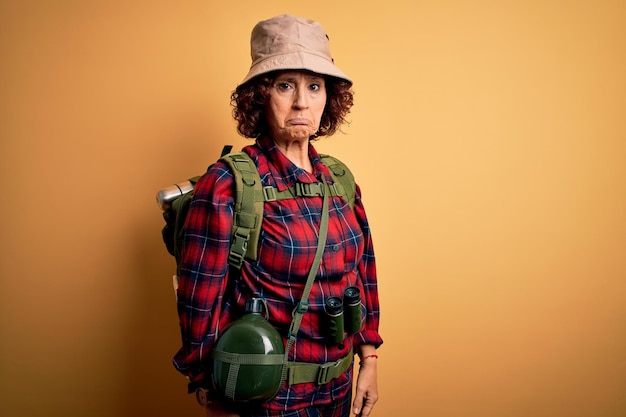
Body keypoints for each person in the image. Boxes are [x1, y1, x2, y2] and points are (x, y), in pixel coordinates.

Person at [173, 14, 383, 417]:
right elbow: (200, 303)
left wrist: (368, 359)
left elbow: (364, 272)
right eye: (286, 85)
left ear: (329, 98)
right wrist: (214, 392)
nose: (302, 101)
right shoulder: (228, 185)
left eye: (314, 86)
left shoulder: (339, 182)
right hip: (268, 399)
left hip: (339, 390)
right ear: (260, 96)